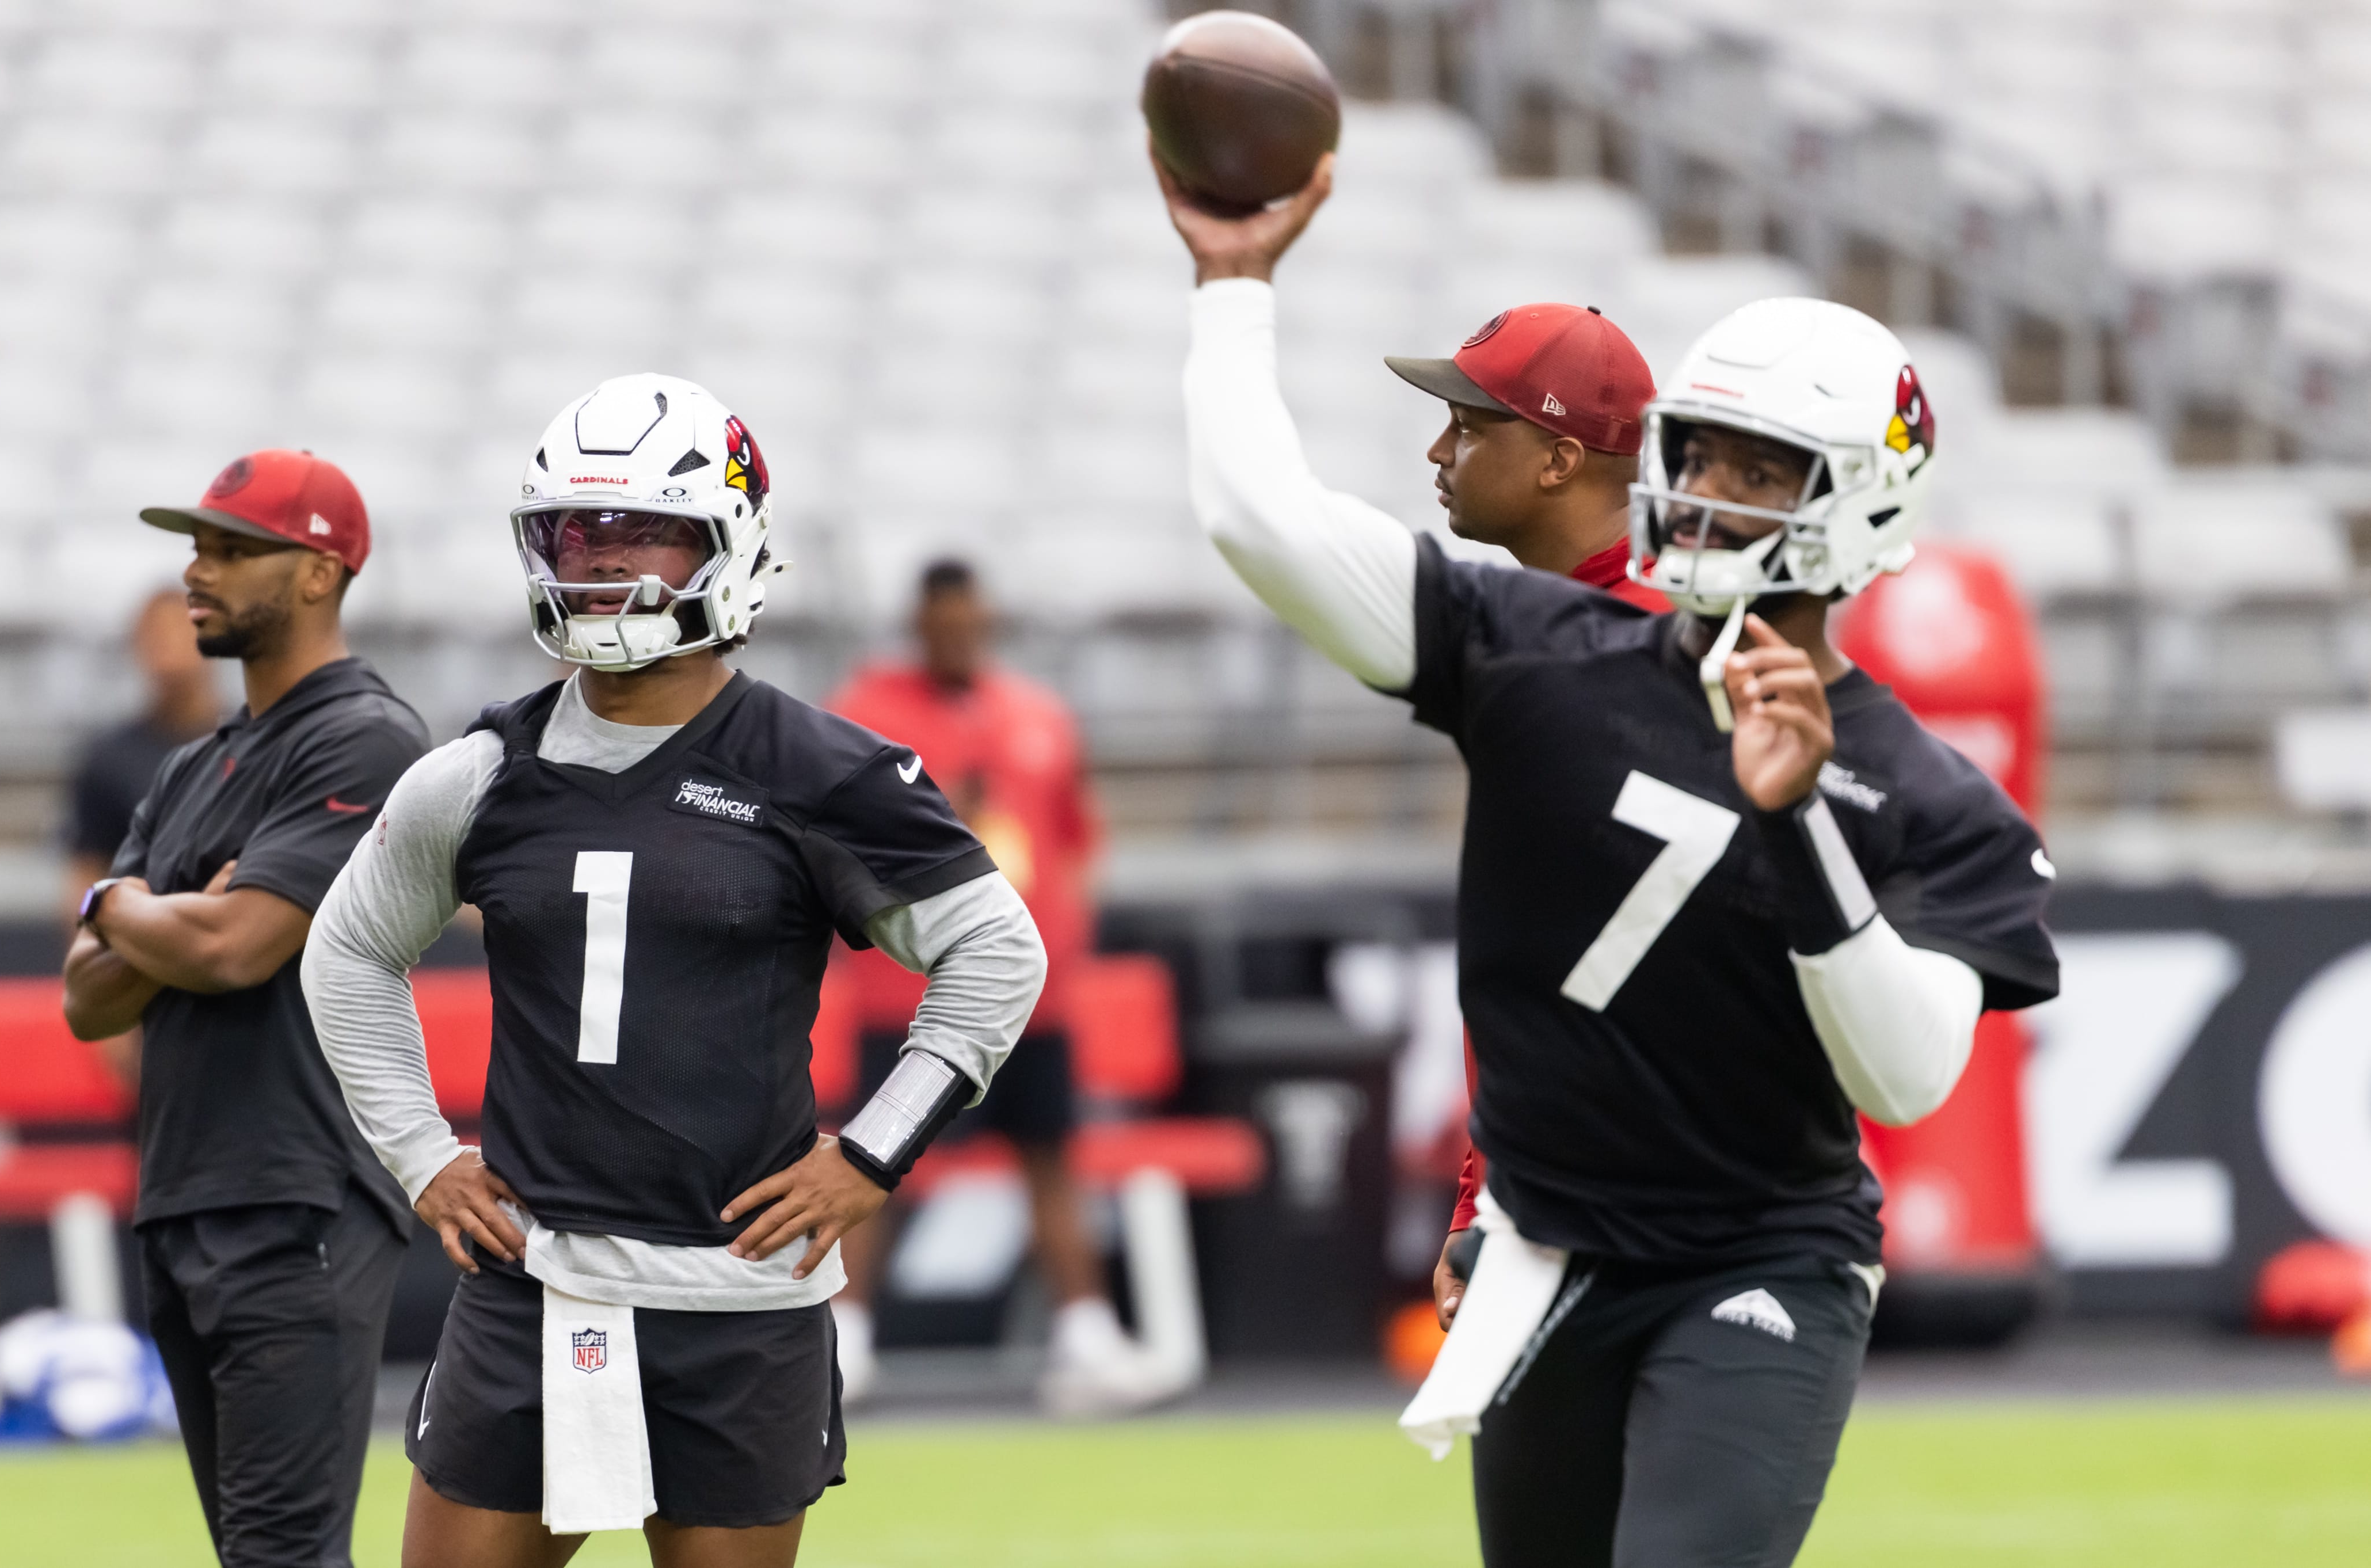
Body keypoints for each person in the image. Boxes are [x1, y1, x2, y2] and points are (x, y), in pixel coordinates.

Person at [1159, 156, 2058, 1567]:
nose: (1704, 492)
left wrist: (1799, 821)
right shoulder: (1541, 647)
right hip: (1550, 1251)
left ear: (1860, 502)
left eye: (1759, 471)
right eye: (1694, 453)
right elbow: (1258, 523)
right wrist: (1230, 284)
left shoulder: (1931, 794)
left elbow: (1906, 1074)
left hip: (1761, 1257)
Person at [301, 374, 1045, 1567]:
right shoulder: (480, 772)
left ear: (731, 548)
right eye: (576, 535)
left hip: (740, 1301)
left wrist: (870, 1152)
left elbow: (996, 950)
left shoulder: (823, 771)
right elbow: (346, 952)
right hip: (534, 1283)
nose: (603, 567)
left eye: (644, 533)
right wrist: (421, 1156)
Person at [59, 449, 429, 1568]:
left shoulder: (365, 736)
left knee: (283, 1554)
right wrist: (139, 907)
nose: (196, 570)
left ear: (320, 572)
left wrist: (128, 911)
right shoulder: (192, 768)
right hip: (184, 1196)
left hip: (297, 1197)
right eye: (197, 545)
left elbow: (232, 948)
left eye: (232, 547)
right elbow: (85, 997)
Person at [825, 559, 1175, 1417]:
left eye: (972, 623)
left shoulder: (1037, 715)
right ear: (921, 624)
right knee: (871, 1160)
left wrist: (1066, 944)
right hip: (904, 997)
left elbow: (1075, 843)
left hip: (1029, 1003)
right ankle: (843, 1341)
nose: (960, 637)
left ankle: (1088, 1337)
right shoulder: (865, 714)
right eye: (945, 623)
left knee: (1050, 1161)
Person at [63, 587, 223, 1090]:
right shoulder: (110, 757)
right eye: (154, 637)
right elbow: (86, 880)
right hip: (145, 977)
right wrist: (101, 987)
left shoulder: (257, 743)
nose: (167, 650)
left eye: (181, 632)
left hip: (240, 969)